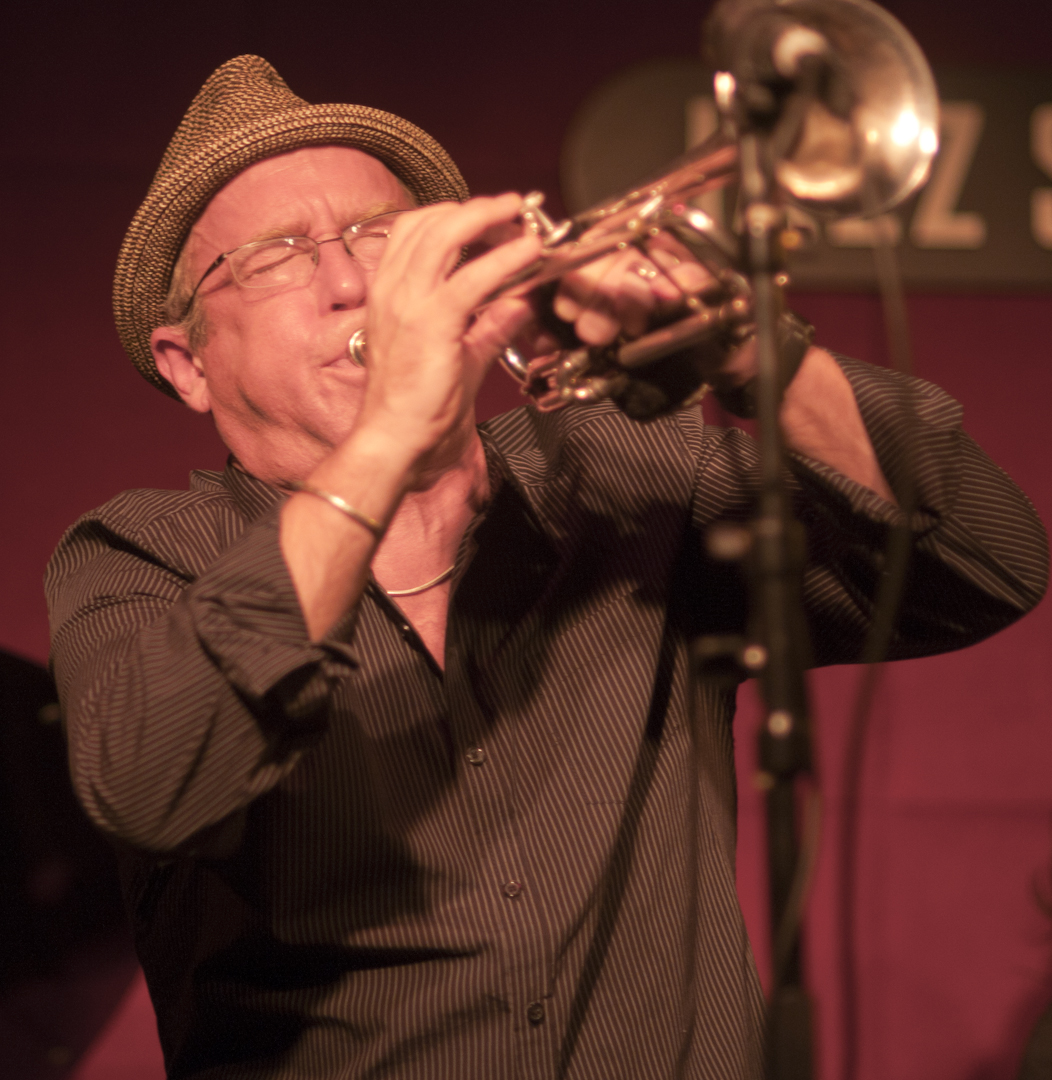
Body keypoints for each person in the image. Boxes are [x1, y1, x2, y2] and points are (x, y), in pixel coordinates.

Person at [46, 55, 1047, 1079]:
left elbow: (981, 559)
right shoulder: (142, 557)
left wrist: (742, 347)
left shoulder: (618, 478)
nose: (350, 280)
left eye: (378, 235)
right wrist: (391, 432)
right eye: (276, 255)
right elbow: (148, 779)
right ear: (187, 363)